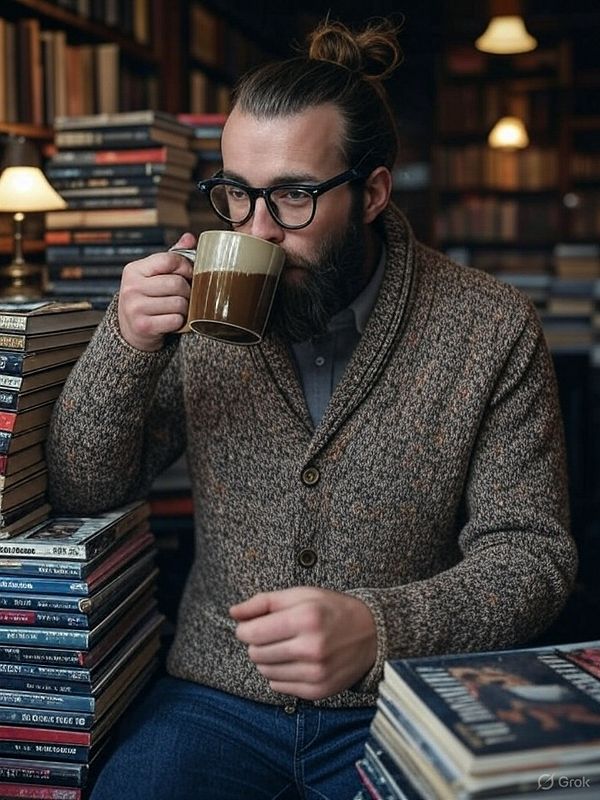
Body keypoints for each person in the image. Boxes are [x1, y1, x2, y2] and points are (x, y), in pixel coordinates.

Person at [46, 17, 577, 800]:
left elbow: (533, 555)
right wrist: (123, 343)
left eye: (293, 195)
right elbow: (83, 490)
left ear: (372, 192)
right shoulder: (198, 310)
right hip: (214, 698)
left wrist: (382, 628)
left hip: (403, 697)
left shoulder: (488, 327)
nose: (257, 230)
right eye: (236, 194)